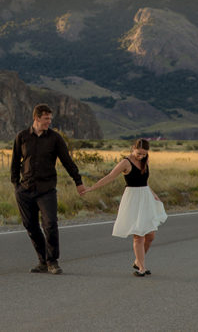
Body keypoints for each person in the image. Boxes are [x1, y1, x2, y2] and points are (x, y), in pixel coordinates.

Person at [11, 104, 87, 274]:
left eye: (50, 119)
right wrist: (16, 186)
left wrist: (78, 181)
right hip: (25, 190)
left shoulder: (55, 138)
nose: (49, 122)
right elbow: (15, 162)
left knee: (50, 224)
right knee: (31, 226)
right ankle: (42, 261)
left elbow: (67, 161)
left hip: (46, 189)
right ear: (36, 118)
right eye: (46, 119)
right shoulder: (22, 137)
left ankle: (53, 261)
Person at [84, 138, 167, 277]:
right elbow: (110, 176)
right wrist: (91, 188)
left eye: (144, 154)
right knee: (138, 235)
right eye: (139, 153)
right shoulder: (125, 162)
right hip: (133, 200)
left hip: (146, 198)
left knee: (150, 236)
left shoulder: (145, 160)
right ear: (133, 148)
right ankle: (142, 268)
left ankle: (138, 261)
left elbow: (144, 182)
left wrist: (154, 194)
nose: (141, 156)